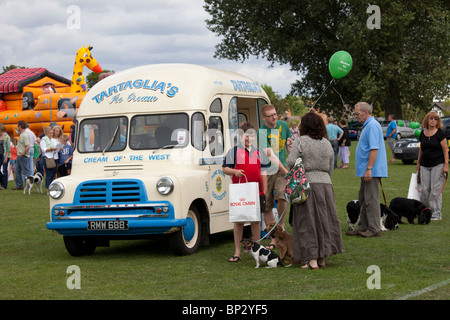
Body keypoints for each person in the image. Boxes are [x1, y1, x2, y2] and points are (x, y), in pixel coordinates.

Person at [287, 112, 344, 269]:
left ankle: (312, 258)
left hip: (307, 184)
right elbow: (332, 164)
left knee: (308, 221)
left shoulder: (300, 141)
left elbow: (291, 162)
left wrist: (289, 150)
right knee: (325, 221)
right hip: (326, 184)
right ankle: (322, 257)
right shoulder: (326, 143)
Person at [223, 122, 268, 262]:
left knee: (256, 220)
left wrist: (265, 190)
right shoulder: (234, 151)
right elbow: (224, 169)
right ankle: (237, 252)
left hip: (257, 192)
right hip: (240, 192)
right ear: (241, 136)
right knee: (239, 221)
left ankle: (258, 248)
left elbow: (263, 172)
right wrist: (235, 171)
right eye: (247, 136)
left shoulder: (258, 152)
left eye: (252, 136)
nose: (250, 139)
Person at [347, 102, 387, 237]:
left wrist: (369, 168)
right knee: (363, 198)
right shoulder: (368, 126)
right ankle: (363, 226)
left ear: (366, 112)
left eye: (357, 114)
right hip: (367, 170)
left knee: (371, 199)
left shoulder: (372, 126)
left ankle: (374, 229)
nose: (356, 116)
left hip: (371, 170)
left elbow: (374, 149)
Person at [257, 104, 291, 249]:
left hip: (282, 169)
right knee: (267, 205)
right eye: (270, 115)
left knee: (282, 195)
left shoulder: (284, 125)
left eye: (275, 114)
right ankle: (273, 236)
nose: (274, 117)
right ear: (264, 117)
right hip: (267, 170)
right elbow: (270, 155)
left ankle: (280, 227)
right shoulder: (261, 132)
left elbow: (289, 145)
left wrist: (291, 146)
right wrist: (286, 171)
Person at [416, 112, 448, 220]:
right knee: (424, 189)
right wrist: (418, 163)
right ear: (427, 120)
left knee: (435, 190)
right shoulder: (422, 133)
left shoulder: (440, 134)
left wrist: (446, 165)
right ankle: (423, 211)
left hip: (438, 164)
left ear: (438, 121)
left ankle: (436, 213)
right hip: (424, 165)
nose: (433, 120)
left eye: (435, 119)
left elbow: (445, 150)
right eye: (431, 118)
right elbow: (421, 149)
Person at [13, 121, 32, 190]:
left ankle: (29, 186)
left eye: (18, 126)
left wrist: (23, 154)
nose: (17, 127)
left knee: (26, 172)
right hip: (20, 155)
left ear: (20, 126)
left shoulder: (25, 135)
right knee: (17, 170)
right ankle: (19, 185)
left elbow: (28, 146)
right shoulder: (22, 134)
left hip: (23, 156)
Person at [40, 126, 58, 194]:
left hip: (55, 157)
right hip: (48, 158)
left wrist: (59, 148)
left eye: (52, 133)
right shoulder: (43, 140)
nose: (51, 134)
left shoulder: (53, 140)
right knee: (49, 174)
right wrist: (51, 149)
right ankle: (48, 189)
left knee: (54, 173)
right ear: (47, 133)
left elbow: (56, 147)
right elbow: (43, 149)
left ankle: (53, 187)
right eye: (50, 133)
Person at [0, 123, 11, 189]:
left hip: (4, 155)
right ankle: (2, 181)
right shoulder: (0, 136)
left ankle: (4, 185)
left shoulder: (7, 137)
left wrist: (6, 157)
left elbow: (8, 148)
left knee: (4, 170)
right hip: (0, 154)